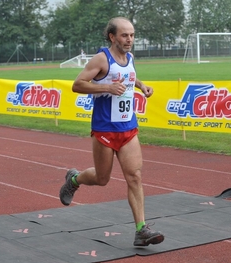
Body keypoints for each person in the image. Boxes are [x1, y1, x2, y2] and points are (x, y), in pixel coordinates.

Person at [59, 17, 164, 247]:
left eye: (132, 35)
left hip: (128, 128)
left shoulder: (130, 58)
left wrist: (142, 86)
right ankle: (74, 179)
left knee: (134, 176)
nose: (130, 40)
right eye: (125, 35)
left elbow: (128, 78)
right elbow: (77, 84)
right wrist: (106, 87)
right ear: (112, 36)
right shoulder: (101, 59)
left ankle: (141, 229)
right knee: (102, 178)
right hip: (105, 129)